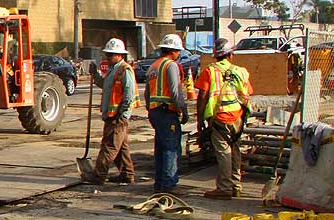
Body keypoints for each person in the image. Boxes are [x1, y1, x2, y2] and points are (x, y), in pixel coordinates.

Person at [196, 37, 253, 199]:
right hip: (237, 117)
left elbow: (203, 96)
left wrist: (200, 119)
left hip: (220, 118)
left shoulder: (210, 71)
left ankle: (225, 188)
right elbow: (247, 94)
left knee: (223, 153)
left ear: (216, 56)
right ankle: (236, 185)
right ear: (230, 55)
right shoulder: (241, 71)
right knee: (235, 151)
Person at [81, 39, 135, 185]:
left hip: (117, 116)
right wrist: (96, 75)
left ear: (120, 55)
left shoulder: (124, 70)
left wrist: (122, 114)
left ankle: (99, 174)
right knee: (121, 147)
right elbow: (105, 85)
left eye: (111, 55)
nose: (108, 58)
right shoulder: (113, 70)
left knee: (109, 146)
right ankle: (127, 174)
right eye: (107, 55)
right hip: (112, 115)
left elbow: (129, 95)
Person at [145, 33, 190, 193]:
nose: (179, 54)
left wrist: (150, 110)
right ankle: (169, 184)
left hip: (155, 111)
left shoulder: (154, 66)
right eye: (178, 51)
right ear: (173, 51)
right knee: (171, 148)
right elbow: (175, 90)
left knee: (161, 147)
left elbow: (147, 93)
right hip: (167, 111)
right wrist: (183, 110)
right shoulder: (170, 65)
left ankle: (160, 182)